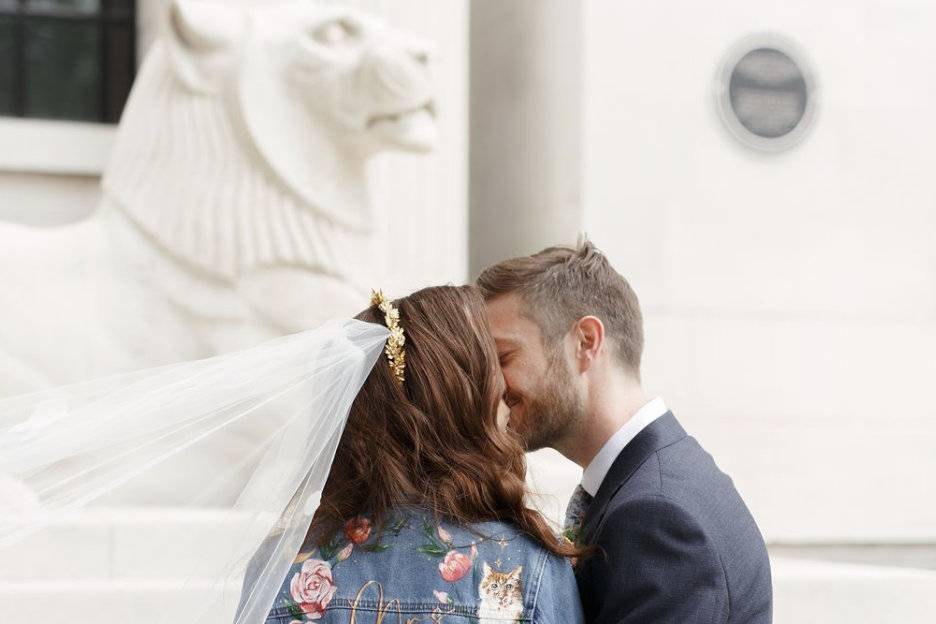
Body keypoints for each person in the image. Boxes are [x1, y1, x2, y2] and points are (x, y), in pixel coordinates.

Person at [239, 285, 585, 623]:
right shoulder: (530, 567)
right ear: (461, 403)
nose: (505, 396)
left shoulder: (280, 566)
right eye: (492, 374)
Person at [477, 240, 773, 623]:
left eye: (504, 358)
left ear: (585, 342)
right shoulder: (646, 483)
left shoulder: (660, 516)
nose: (492, 386)